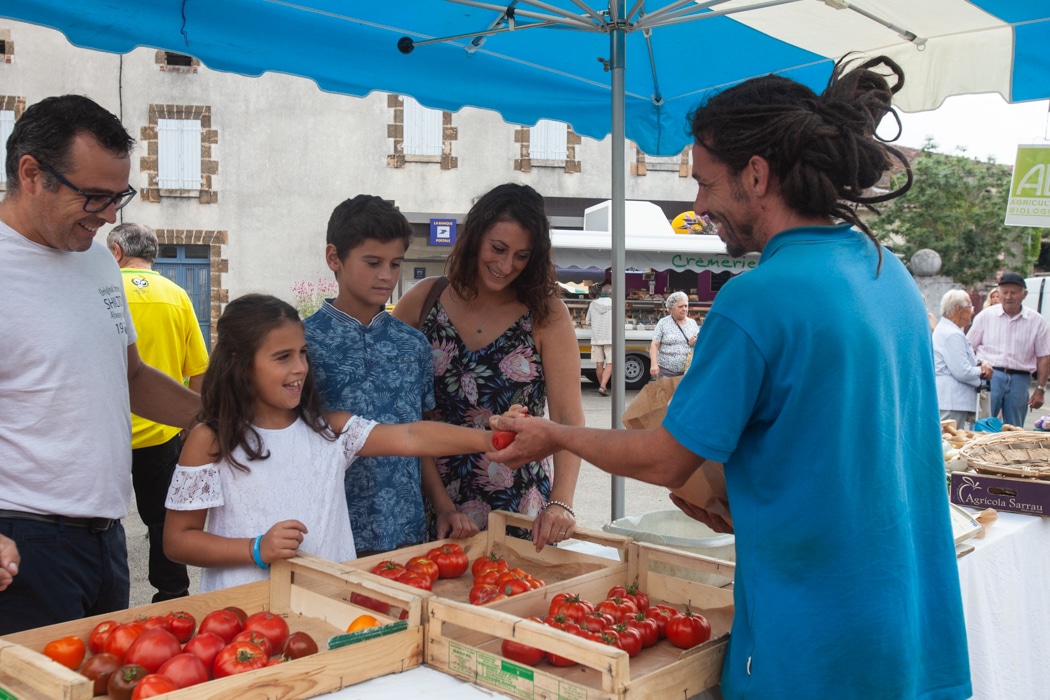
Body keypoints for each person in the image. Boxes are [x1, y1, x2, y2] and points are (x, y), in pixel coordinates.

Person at [489, 57, 971, 699]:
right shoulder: (890, 273)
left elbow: (663, 462)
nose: (699, 204)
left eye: (706, 183)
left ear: (757, 174)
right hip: (909, 626)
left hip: (811, 643)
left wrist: (556, 436)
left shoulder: (756, 299)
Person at [0, 94, 200, 634]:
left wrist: (220, 418)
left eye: (120, 197)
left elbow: (130, 375)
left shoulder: (95, 258)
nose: (111, 216)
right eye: (94, 196)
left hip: (106, 536)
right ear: (31, 173)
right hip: (20, 541)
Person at [163, 294, 509, 592]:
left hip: (330, 606)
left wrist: (491, 437)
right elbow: (178, 540)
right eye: (282, 357)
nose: (299, 367)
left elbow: (411, 435)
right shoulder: (211, 439)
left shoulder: (330, 430)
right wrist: (255, 549)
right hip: (244, 617)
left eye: (302, 353)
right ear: (239, 364)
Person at [393, 183, 584, 550]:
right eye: (497, 248)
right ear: (474, 237)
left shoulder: (547, 314)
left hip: (516, 501)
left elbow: (569, 420)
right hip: (429, 496)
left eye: (521, 256)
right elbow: (395, 406)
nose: (506, 265)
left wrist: (561, 503)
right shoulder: (423, 300)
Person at [304, 195, 477, 556]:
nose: (386, 275)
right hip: (326, 528)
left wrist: (444, 506)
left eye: (395, 263)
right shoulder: (301, 342)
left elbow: (418, 435)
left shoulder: (413, 344)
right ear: (334, 257)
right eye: (372, 262)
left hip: (406, 528)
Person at [107, 222, 210, 602]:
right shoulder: (179, 296)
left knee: (103, 523)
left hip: (110, 431)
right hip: (163, 431)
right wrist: (189, 426)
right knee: (163, 519)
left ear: (116, 252)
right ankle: (171, 593)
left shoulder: (106, 293)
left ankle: (110, 597)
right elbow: (198, 369)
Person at [967, 271, 1050, 427]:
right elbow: (968, 347)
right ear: (998, 293)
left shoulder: (1037, 321)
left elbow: (1044, 356)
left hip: (1021, 379)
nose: (1008, 297)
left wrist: (1040, 389)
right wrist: (979, 364)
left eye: (1014, 293)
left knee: (1015, 428)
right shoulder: (985, 316)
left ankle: (1011, 452)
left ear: (1024, 294)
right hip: (990, 377)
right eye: (1004, 292)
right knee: (982, 425)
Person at [934, 290, 991, 428]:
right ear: (959, 309)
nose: (973, 311)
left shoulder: (949, 330)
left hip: (950, 399)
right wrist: (981, 371)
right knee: (949, 441)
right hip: (951, 400)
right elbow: (962, 372)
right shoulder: (952, 334)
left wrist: (979, 365)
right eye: (970, 307)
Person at [649, 291, 698, 379]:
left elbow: (701, 343)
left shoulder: (692, 323)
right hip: (666, 372)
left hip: (687, 372)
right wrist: (654, 364)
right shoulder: (663, 323)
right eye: (680, 306)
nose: (684, 309)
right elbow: (654, 344)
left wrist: (696, 342)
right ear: (671, 309)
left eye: (686, 306)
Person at [585, 283, 613, 395]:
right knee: (610, 363)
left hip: (596, 338)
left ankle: (602, 386)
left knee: (599, 364)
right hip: (611, 337)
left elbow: (588, 322)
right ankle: (602, 386)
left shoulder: (593, 304)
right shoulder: (615, 303)